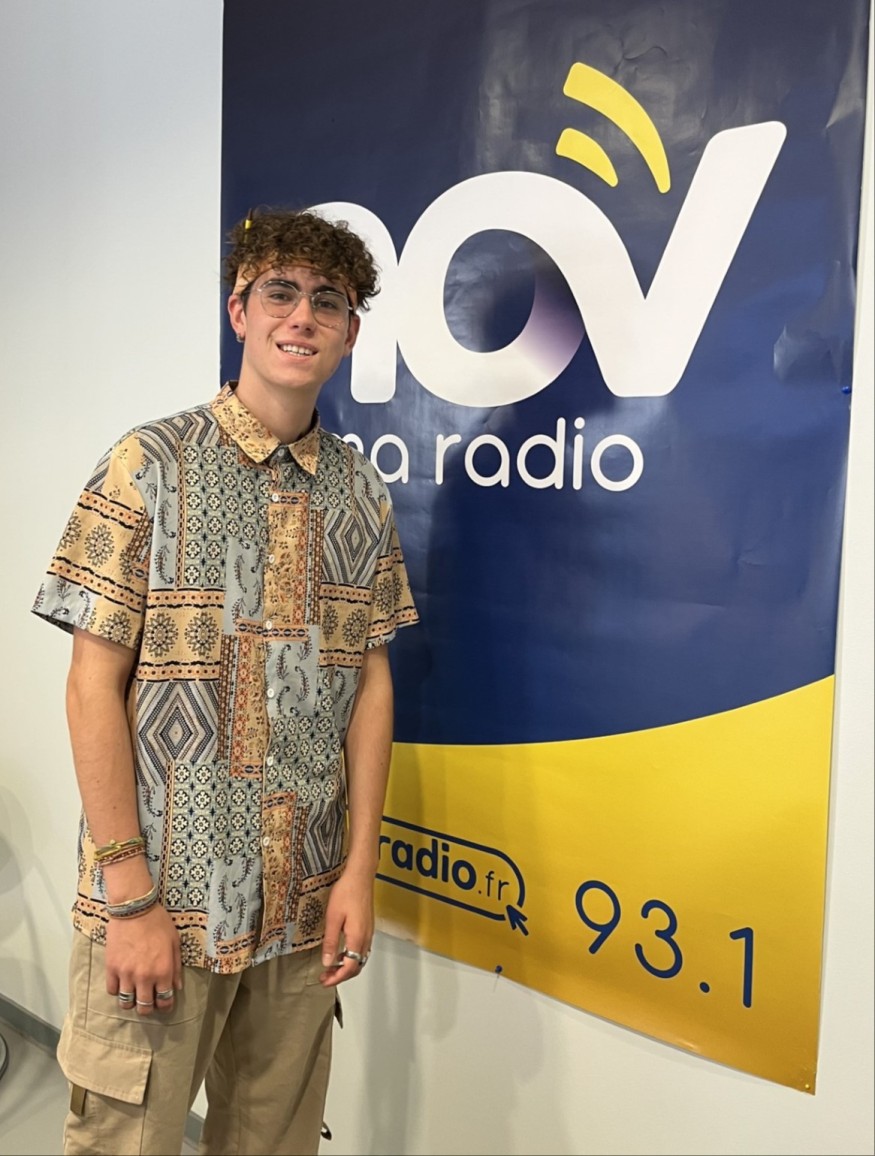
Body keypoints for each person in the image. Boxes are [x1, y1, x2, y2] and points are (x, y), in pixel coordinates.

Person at [32, 207, 419, 1156]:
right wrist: (130, 898)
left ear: (351, 332)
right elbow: (90, 688)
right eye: (280, 292)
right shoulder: (148, 464)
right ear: (239, 310)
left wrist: (357, 873)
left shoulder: (361, 490)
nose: (303, 316)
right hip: (162, 902)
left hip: (302, 904)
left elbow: (369, 687)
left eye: (328, 300)